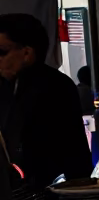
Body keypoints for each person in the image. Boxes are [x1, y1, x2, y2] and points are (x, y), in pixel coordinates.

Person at [0, 14, 92, 188]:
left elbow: (72, 153)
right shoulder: (6, 86)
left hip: (51, 197)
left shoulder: (55, 86)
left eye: (2, 52)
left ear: (27, 53)